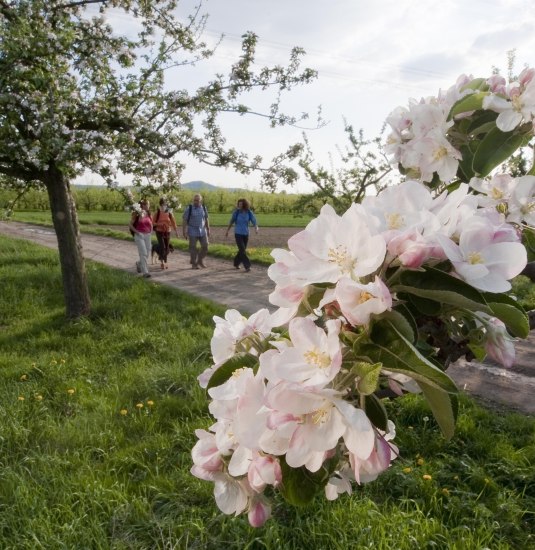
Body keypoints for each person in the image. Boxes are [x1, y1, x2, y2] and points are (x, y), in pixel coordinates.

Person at [225, 198, 258, 272]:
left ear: (244, 205)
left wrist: (256, 228)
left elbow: (254, 221)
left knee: (241, 250)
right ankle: (247, 266)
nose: (239, 205)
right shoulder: (236, 212)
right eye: (238, 204)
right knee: (242, 250)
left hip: (246, 234)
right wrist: (227, 231)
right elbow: (231, 221)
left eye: (241, 204)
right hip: (238, 233)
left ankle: (236, 263)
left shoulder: (249, 212)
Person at [182, 193, 210, 269]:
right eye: (194, 200)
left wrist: (208, 228)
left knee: (205, 246)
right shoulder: (189, 208)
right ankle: (194, 264)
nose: (196, 202)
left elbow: (206, 218)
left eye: (197, 200)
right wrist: (184, 231)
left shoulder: (204, 207)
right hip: (192, 230)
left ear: (200, 201)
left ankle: (200, 260)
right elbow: (184, 219)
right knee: (193, 247)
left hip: (202, 230)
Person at [153, 197, 179, 270]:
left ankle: (162, 257)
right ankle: (163, 262)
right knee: (163, 246)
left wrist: (176, 232)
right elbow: (153, 223)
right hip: (159, 231)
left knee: (167, 248)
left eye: (166, 204)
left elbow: (174, 223)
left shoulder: (169, 213)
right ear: (160, 205)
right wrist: (159, 224)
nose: (164, 206)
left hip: (167, 231)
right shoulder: (157, 213)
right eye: (163, 204)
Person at [129, 199, 153, 278]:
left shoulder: (149, 213)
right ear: (143, 205)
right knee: (143, 253)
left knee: (147, 253)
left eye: (149, 204)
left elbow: (151, 223)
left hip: (148, 235)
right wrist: (137, 232)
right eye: (147, 204)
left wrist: (150, 232)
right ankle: (145, 272)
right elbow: (130, 225)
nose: (148, 206)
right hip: (139, 235)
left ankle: (139, 263)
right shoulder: (136, 213)